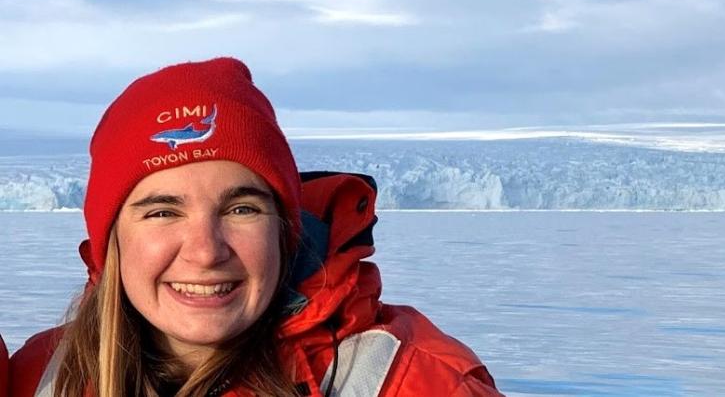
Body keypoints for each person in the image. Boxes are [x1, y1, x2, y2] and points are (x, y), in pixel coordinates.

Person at [9, 58, 503, 396]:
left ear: (285, 230)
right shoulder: (40, 374)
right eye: (162, 211)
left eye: (241, 209)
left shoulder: (416, 381)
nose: (205, 252)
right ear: (110, 241)